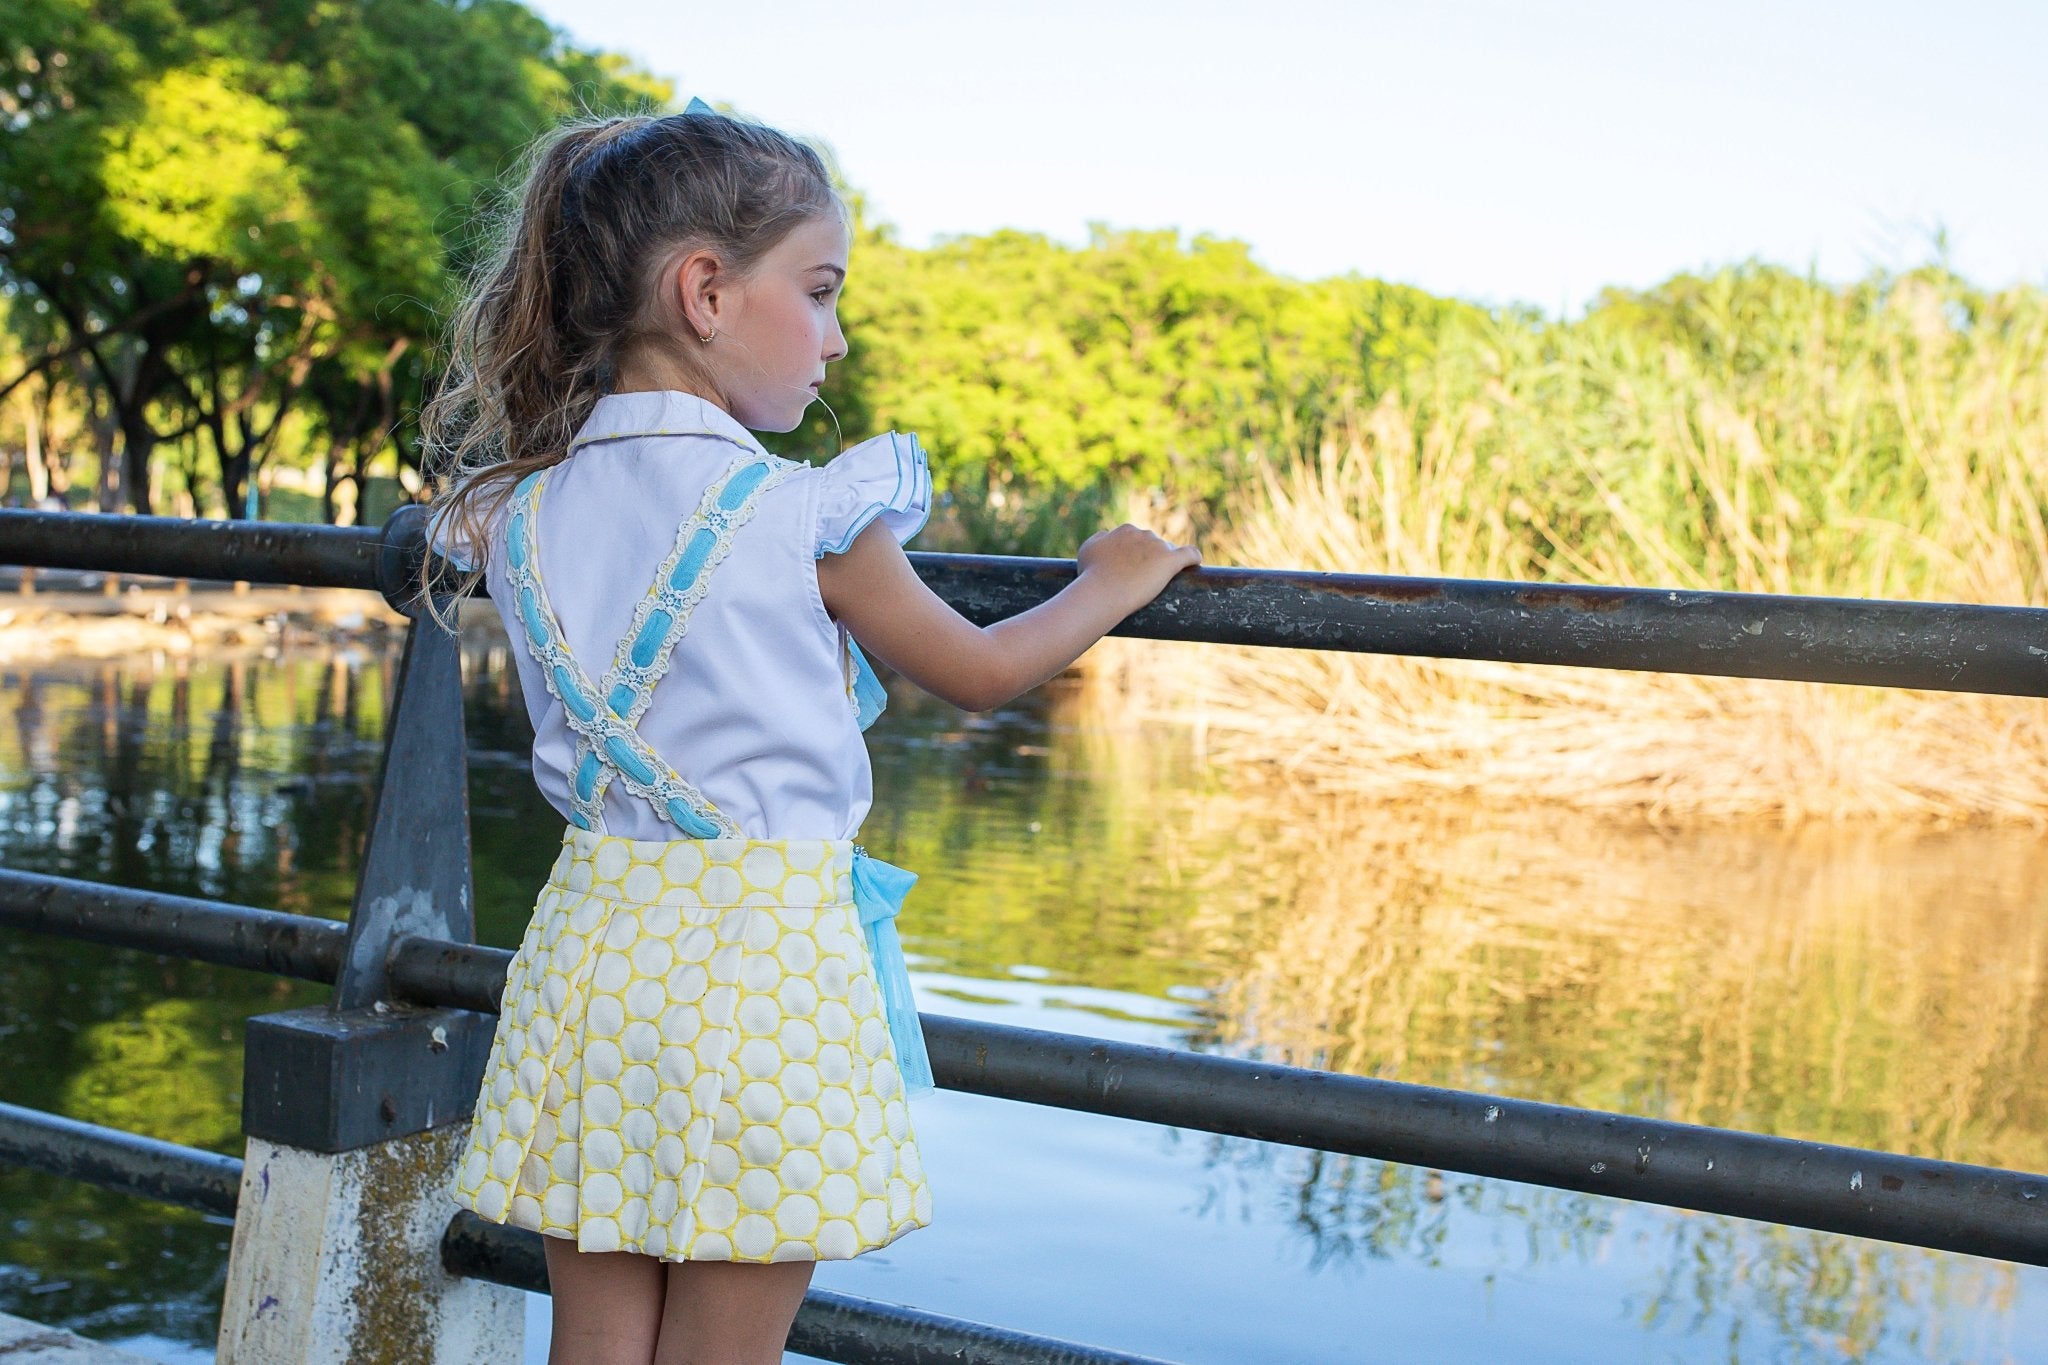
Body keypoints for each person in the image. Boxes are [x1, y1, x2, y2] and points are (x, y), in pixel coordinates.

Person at [419, 100, 1198, 1365]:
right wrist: (1112, 577)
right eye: (822, 292)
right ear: (705, 291)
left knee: (597, 1338)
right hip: (762, 971)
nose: (835, 340)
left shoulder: (517, 511)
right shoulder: (807, 515)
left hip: (588, 952)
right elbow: (983, 671)